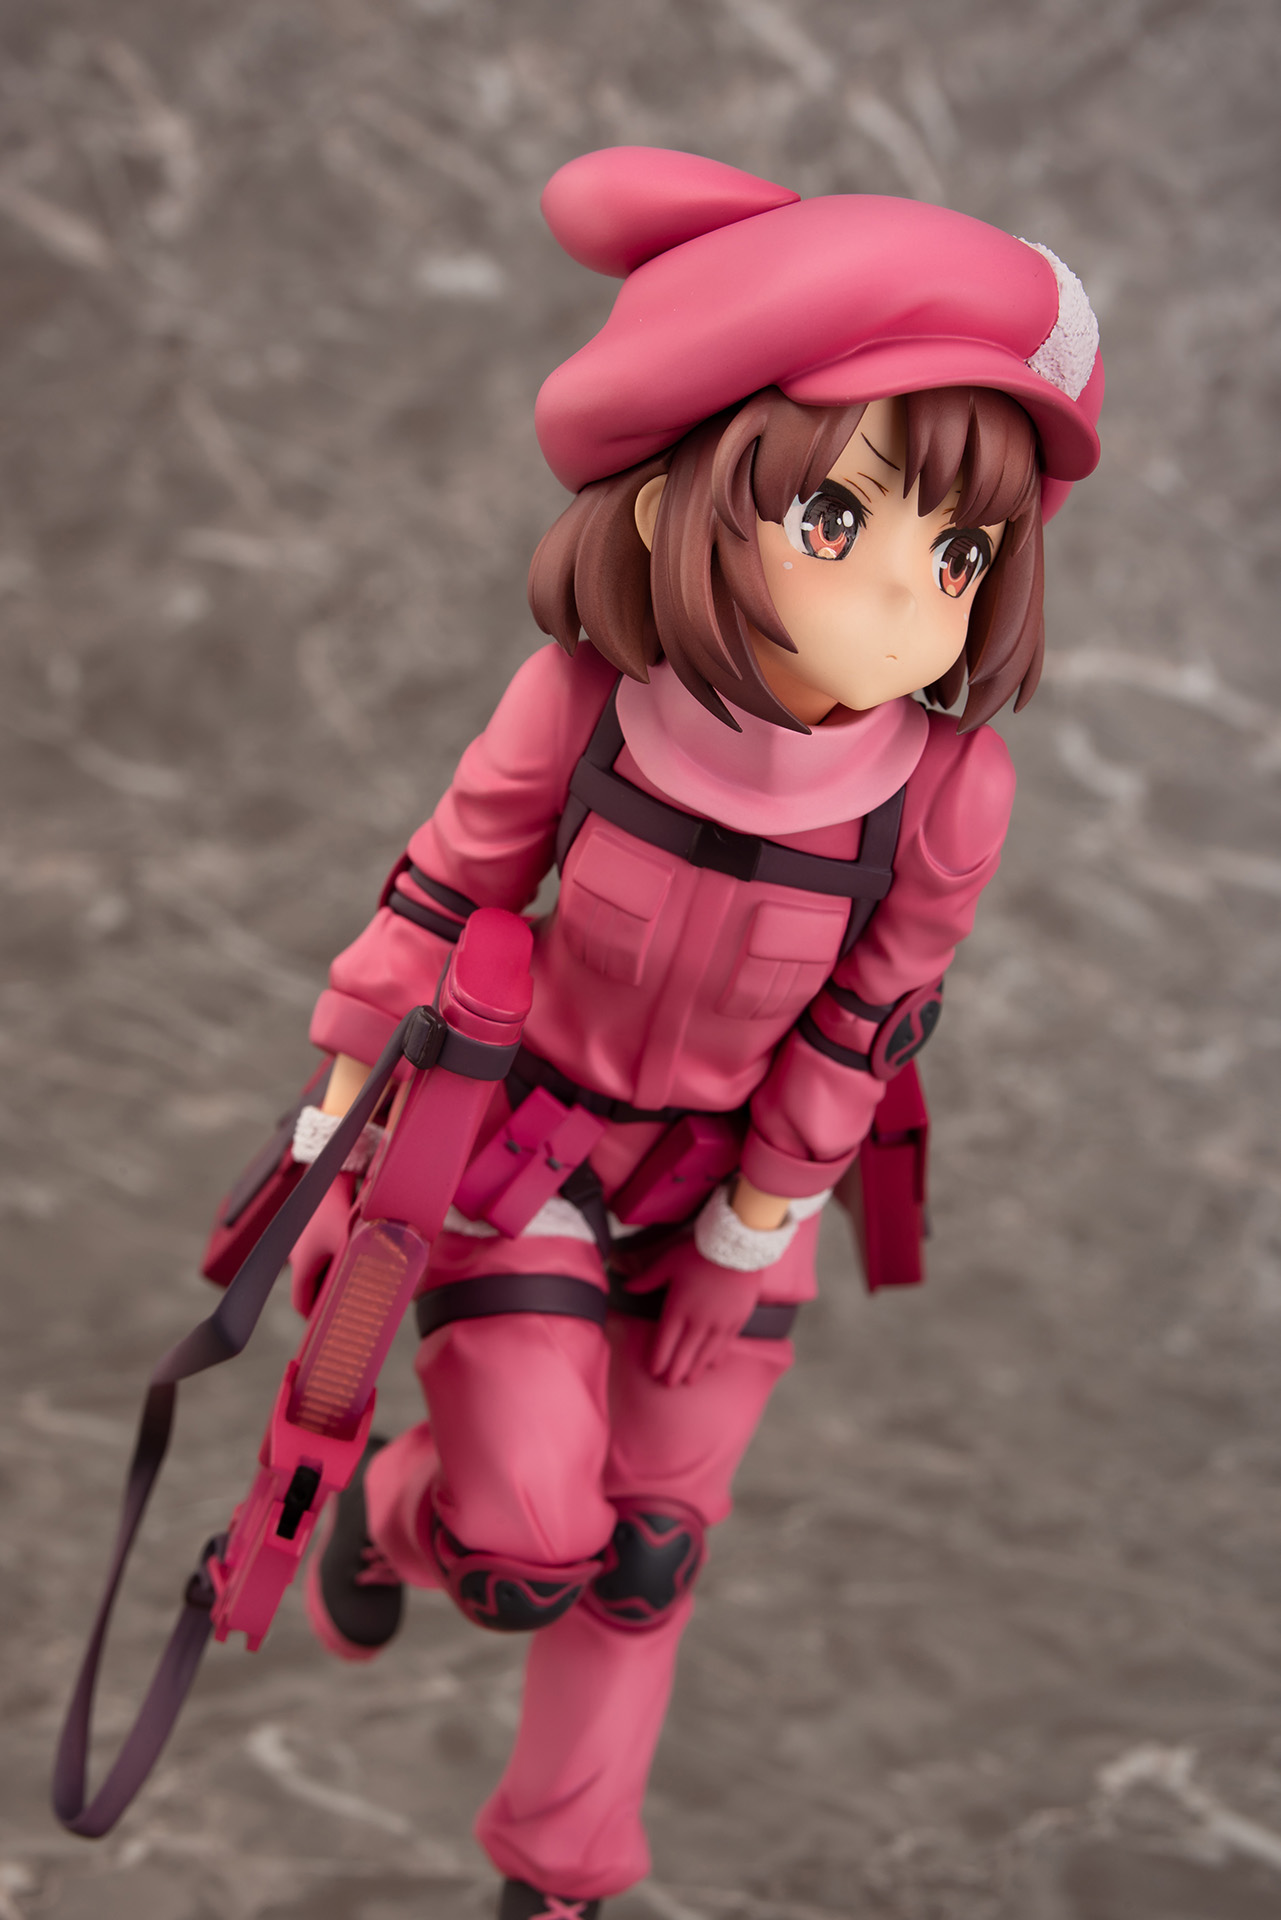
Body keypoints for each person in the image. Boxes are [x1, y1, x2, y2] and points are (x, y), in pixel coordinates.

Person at [286, 147, 1103, 1920]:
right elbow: (436, 893)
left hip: (738, 1193)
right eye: (841, 521)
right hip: (527, 1159)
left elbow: (870, 1016)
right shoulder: (585, 701)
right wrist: (333, 1133)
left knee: (645, 1557)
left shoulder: (945, 790)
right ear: (676, 502)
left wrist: (757, 1219)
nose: (905, 595)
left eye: (958, 549)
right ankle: (404, 1514)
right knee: (525, 1545)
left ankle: (560, 1875)